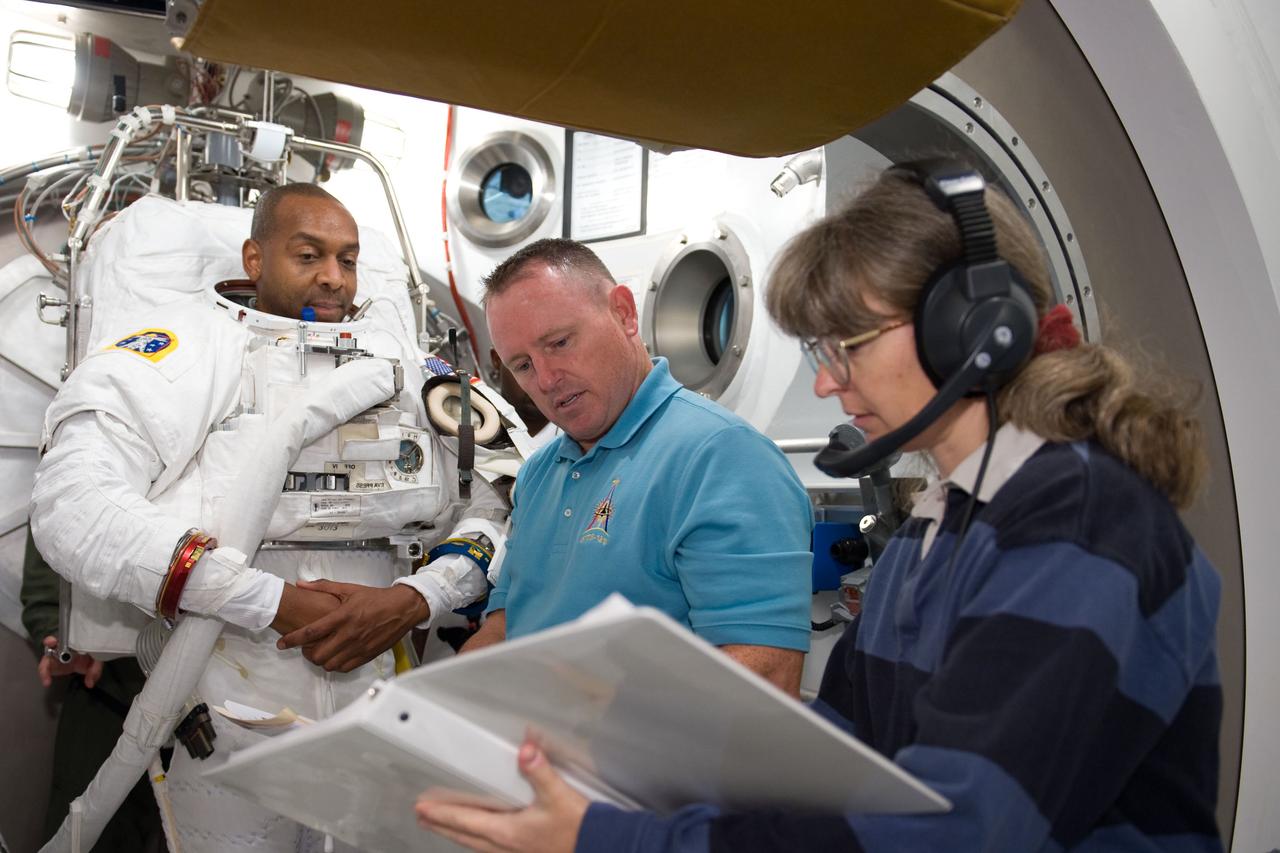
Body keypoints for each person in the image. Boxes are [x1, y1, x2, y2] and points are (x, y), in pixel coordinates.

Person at [416, 165, 1223, 852]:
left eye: (850, 346)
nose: (829, 383)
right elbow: (826, 762)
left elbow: (958, 829)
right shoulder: (934, 533)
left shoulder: (1079, 522)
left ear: (972, 330)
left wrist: (609, 836)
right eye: (818, 353)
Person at [30, 183, 507, 852]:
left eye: (347, 258)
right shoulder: (183, 349)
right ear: (255, 259)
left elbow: (508, 498)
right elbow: (73, 505)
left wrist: (414, 598)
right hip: (227, 697)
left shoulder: (408, 365)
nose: (332, 277)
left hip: (380, 683)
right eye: (308, 255)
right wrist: (269, 601)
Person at [459, 238, 813, 697]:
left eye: (560, 343)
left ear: (624, 313)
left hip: (642, 763)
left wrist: (591, 734)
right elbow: (506, 625)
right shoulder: (538, 473)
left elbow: (764, 674)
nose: (545, 381)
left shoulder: (723, 458)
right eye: (523, 365)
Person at [21, 530, 165, 852]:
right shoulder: (78, 484)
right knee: (86, 833)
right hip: (108, 697)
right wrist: (63, 636)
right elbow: (46, 577)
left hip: (223, 704)